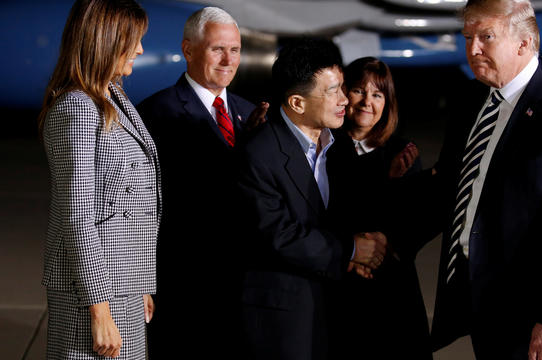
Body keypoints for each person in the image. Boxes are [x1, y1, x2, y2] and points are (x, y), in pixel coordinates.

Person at [428, 0, 542, 359]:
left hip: (541, 323)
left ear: (524, 43)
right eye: (468, 37)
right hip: (488, 307)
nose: (472, 48)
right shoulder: (472, 99)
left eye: (486, 37)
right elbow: (450, 188)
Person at [236, 38, 388, 360]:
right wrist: (350, 249)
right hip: (285, 323)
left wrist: (360, 250)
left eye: (343, 87)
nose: (345, 99)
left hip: (338, 313)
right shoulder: (258, 155)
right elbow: (280, 235)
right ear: (297, 103)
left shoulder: (339, 146)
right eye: (332, 91)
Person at [135, 6, 266, 357]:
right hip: (183, 286)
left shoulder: (249, 113)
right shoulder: (154, 113)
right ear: (188, 49)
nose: (228, 60)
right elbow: (141, 208)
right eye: (217, 49)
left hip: (243, 286)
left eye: (235, 50)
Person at [38, 0, 159, 358]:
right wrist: (99, 309)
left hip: (121, 284)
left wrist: (140, 284)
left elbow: (127, 202)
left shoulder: (113, 95)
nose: (140, 49)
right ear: (105, 40)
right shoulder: (76, 107)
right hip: (91, 292)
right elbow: (77, 215)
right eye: (133, 39)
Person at [326, 56, 432, 360]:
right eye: (359, 91)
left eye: (377, 94)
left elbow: (413, 222)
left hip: (390, 289)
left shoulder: (402, 153)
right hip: (341, 283)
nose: (366, 102)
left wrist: (385, 244)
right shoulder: (324, 148)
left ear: (388, 102)